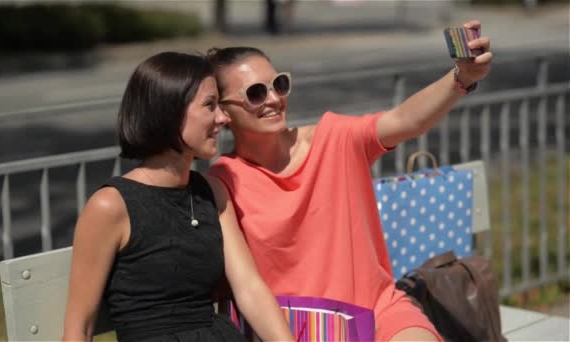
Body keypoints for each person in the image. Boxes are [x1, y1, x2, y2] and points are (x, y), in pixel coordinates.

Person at [207, 20, 492, 341]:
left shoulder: (334, 137)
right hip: (295, 328)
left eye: (279, 84)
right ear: (223, 112)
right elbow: (246, 288)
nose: (273, 98)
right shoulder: (224, 180)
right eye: (256, 93)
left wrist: (461, 78)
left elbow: (405, 120)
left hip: (377, 310)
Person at [62, 52, 294, 342]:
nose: (223, 118)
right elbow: (78, 329)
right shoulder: (111, 205)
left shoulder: (212, 191)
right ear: (170, 113)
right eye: (210, 106)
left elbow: (249, 288)